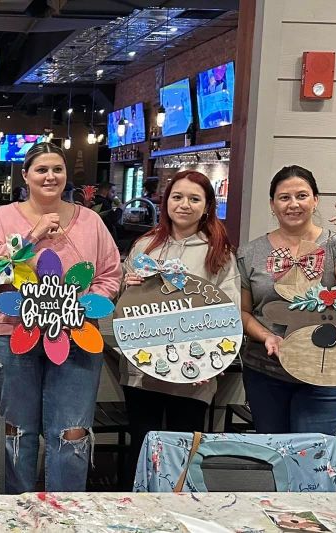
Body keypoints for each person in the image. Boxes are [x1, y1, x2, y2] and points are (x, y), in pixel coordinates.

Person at [0, 142, 121, 493]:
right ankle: (17, 509)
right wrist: (32, 235)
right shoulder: (3, 218)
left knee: (72, 432)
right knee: (16, 430)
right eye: (41, 170)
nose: (50, 176)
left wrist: (82, 306)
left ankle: (65, 510)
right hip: (10, 334)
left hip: (77, 336)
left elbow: (110, 274)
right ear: (25, 176)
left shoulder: (91, 221)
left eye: (57, 169)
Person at [119, 170, 239, 468]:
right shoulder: (145, 246)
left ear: (207, 206)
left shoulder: (218, 251)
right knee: (142, 448)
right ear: (166, 202)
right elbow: (123, 305)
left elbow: (229, 310)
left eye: (194, 199)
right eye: (177, 197)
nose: (184, 205)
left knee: (183, 453)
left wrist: (213, 360)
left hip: (192, 374)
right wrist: (127, 286)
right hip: (143, 369)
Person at [238, 165, 336, 435]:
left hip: (327, 369)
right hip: (267, 369)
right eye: (284, 197)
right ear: (272, 204)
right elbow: (243, 312)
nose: (293, 204)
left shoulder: (335, 244)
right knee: (274, 451)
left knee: (312, 452)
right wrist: (266, 336)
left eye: (302, 196)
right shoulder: (250, 252)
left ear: (315, 200)